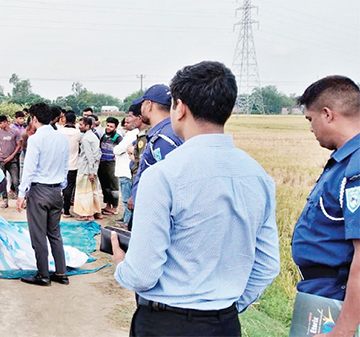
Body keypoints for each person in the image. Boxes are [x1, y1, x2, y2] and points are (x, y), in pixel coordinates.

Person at [111, 61, 280, 336]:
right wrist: (228, 306)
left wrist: (121, 267)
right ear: (230, 110)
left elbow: (142, 274)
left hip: (166, 323)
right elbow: (267, 263)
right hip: (224, 324)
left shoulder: (163, 175)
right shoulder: (258, 177)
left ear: (180, 108)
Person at [292, 76, 360, 337]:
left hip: (334, 304)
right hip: (322, 297)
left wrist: (342, 330)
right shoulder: (344, 162)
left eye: (311, 120)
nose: (311, 129)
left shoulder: (355, 169)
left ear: (327, 114)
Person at [16, 102, 70, 287]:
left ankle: (43, 274)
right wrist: (61, 186)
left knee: (38, 235)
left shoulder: (36, 140)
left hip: (39, 191)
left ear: (35, 119)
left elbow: (29, 169)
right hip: (56, 190)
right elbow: (65, 166)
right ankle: (61, 272)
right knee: (54, 233)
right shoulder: (62, 139)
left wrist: (21, 193)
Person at [129, 84, 183, 230]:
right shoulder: (167, 131)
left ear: (148, 105)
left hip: (156, 218)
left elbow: (171, 183)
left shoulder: (163, 139)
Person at [73, 117, 103, 221]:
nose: (79, 126)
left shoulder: (86, 139)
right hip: (92, 168)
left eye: (81, 125)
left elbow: (90, 157)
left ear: (88, 126)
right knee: (92, 190)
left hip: (86, 169)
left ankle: (87, 214)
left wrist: (91, 172)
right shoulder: (94, 137)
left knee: (84, 192)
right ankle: (97, 212)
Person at [0, 115, 22, 203]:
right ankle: (5, 200)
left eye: (1, 123)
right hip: (2, 160)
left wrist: (12, 156)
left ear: (5, 122)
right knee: (3, 180)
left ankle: (20, 199)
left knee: (16, 181)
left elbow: (19, 145)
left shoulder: (14, 132)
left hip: (12, 160)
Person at [113, 117, 137, 225]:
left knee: (127, 199)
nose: (125, 125)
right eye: (125, 122)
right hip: (125, 171)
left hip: (125, 171)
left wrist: (117, 150)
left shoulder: (132, 134)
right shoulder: (131, 134)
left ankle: (127, 222)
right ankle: (125, 218)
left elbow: (117, 149)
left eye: (128, 122)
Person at [58, 112, 82, 217]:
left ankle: (58, 209)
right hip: (73, 165)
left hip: (60, 165)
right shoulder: (78, 133)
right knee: (69, 188)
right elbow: (81, 146)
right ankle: (66, 210)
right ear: (75, 121)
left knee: (59, 187)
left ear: (64, 120)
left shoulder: (60, 132)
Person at [98, 117, 123, 215]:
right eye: (107, 125)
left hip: (111, 164)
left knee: (113, 185)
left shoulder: (118, 138)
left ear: (115, 127)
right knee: (105, 186)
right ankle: (108, 205)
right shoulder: (104, 136)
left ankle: (115, 207)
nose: (108, 128)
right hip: (102, 162)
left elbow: (122, 149)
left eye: (111, 126)